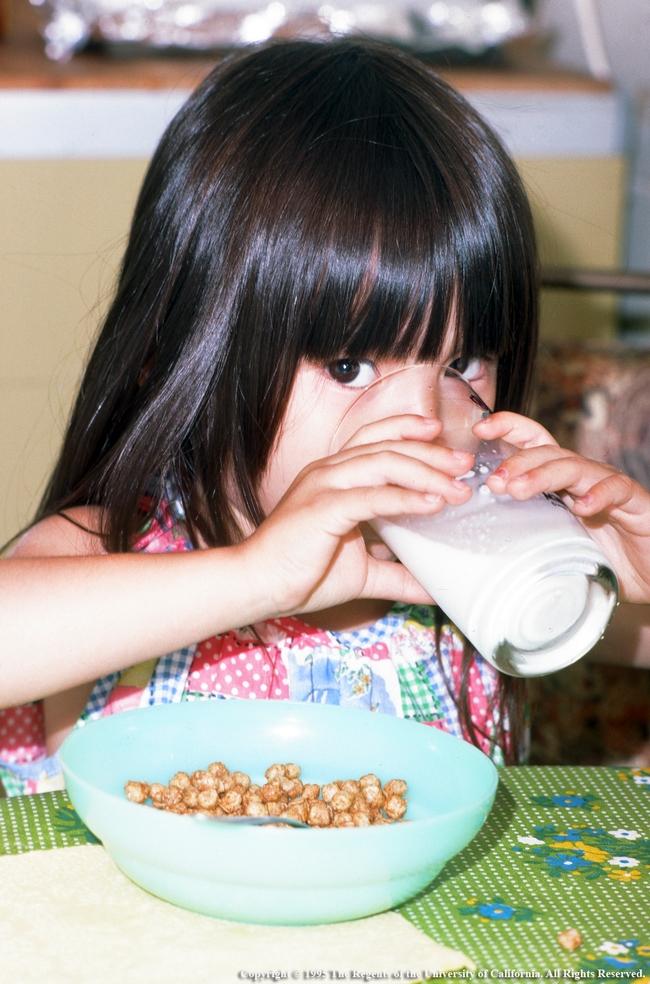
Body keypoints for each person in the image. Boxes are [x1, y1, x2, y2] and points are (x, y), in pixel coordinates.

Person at [1, 39, 649, 797]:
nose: (424, 421)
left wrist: (630, 573)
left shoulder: (467, 584)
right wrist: (256, 577)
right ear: (190, 355)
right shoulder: (111, 550)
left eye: (463, 362)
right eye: (349, 368)